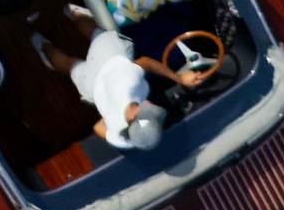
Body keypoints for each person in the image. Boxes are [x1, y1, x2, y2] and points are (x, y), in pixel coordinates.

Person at [35, 21, 190, 154]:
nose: (149, 105)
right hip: (91, 85)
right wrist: (109, 114)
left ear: (132, 119)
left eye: (146, 111)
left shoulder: (130, 82)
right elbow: (98, 127)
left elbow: (146, 63)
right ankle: (41, 45)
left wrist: (178, 78)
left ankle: (73, 13)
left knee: (96, 32)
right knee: (70, 65)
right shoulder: (125, 140)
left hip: (106, 55)